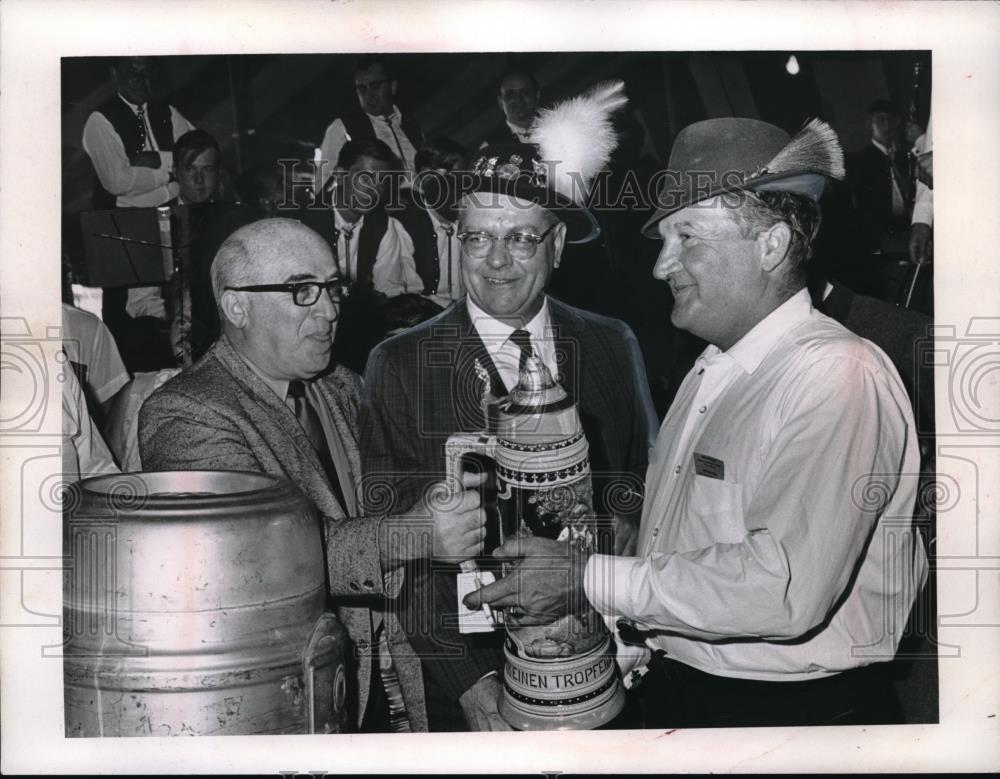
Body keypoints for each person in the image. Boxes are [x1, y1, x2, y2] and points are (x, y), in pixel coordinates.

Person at [467, 117, 929, 729]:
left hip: (793, 719)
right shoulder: (715, 368)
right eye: (664, 240)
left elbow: (781, 588)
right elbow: (678, 550)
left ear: (772, 244)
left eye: (687, 237)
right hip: (691, 690)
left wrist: (586, 578)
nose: (662, 266)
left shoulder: (836, 374)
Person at [360, 81, 656, 731]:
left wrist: (625, 611)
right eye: (476, 238)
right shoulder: (399, 365)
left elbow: (639, 488)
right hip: (472, 672)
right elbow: (397, 553)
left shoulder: (611, 344)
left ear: (555, 246)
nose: (495, 261)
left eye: (520, 238)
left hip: (599, 653)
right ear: (455, 240)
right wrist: (472, 686)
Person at [139, 218, 487, 732]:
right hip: (285, 703)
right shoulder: (185, 412)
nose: (329, 312)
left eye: (332, 289)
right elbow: (255, 556)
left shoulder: (341, 387)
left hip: (389, 685)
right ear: (237, 306)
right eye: (302, 291)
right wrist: (415, 534)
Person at [82, 56, 195, 210]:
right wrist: (170, 174)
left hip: (174, 208)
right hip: (124, 217)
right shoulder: (100, 121)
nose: (142, 81)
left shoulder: (167, 112)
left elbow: (195, 156)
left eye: (147, 73)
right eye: (132, 73)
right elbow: (118, 183)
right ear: (115, 75)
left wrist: (156, 158)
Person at [318, 56, 424, 190]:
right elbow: (323, 186)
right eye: (362, 89)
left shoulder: (410, 123)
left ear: (392, 87)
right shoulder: (341, 128)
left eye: (375, 86)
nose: (368, 95)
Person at [846, 99, 914, 300]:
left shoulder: (905, 158)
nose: (886, 126)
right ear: (869, 123)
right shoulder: (860, 161)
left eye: (891, 120)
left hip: (907, 231)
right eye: (880, 120)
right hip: (881, 241)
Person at [394, 138, 467, 306]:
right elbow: (401, 292)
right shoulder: (404, 225)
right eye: (448, 175)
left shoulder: (469, 221)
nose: (458, 184)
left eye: (463, 176)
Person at [479, 69, 541, 148]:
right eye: (510, 94)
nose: (518, 99)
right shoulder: (490, 147)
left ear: (537, 96)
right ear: (501, 102)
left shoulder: (558, 131)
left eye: (525, 92)